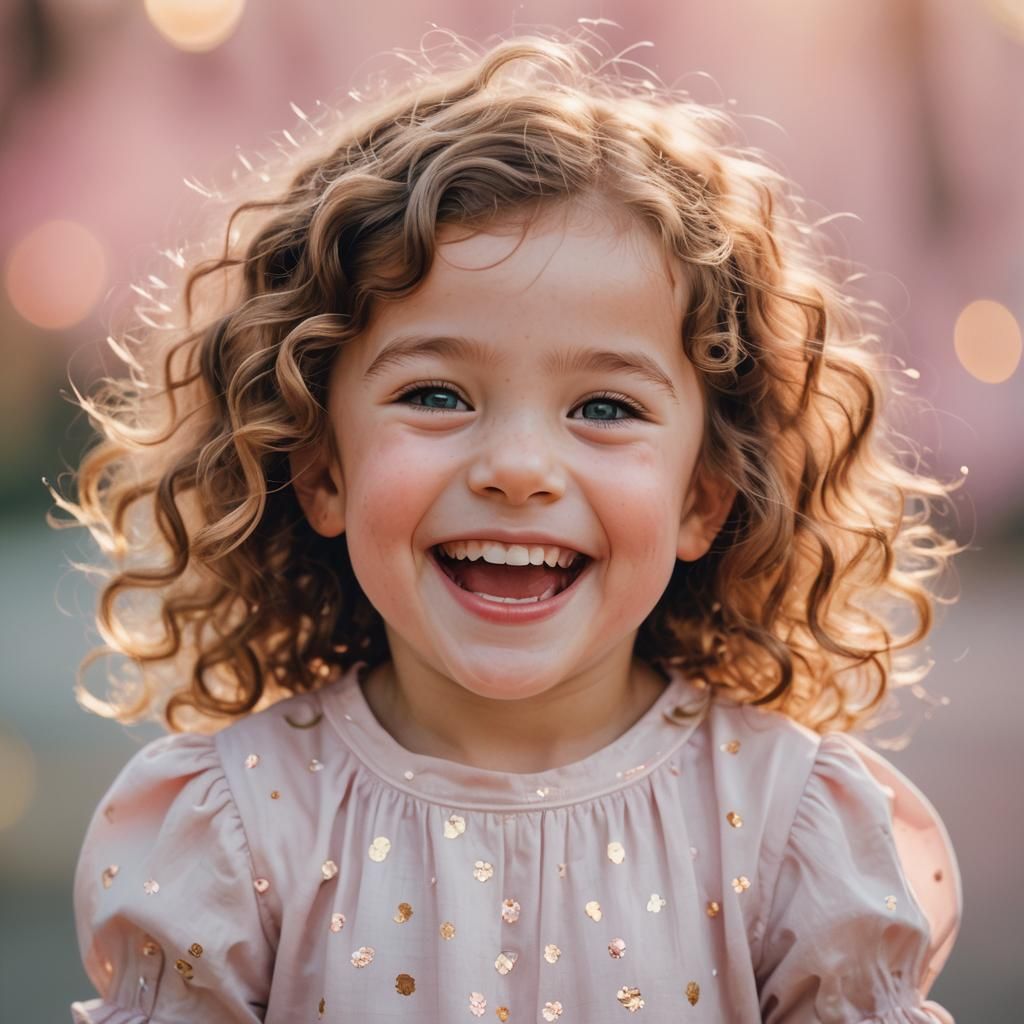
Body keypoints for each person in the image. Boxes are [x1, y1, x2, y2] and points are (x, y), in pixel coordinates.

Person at [54, 29, 962, 1023]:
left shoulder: (790, 831)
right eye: (437, 395)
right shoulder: (234, 830)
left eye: (605, 407)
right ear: (321, 470)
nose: (520, 469)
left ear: (704, 496)